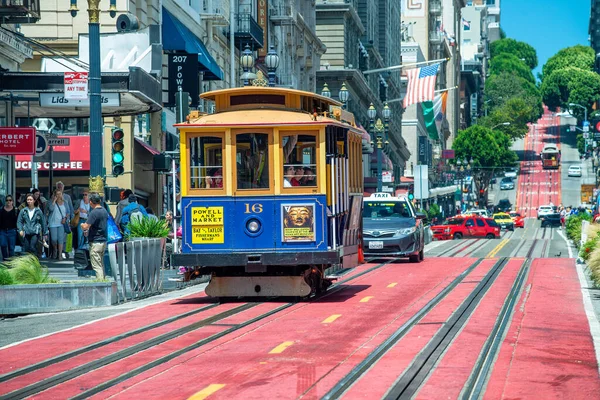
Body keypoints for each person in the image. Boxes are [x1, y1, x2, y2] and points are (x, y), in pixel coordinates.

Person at [81, 193, 108, 280]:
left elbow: (86, 226)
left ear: (91, 202)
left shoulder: (94, 213)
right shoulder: (104, 211)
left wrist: (82, 225)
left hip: (95, 241)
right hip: (103, 241)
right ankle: (104, 280)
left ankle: (101, 283)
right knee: (101, 264)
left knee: (96, 265)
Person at [47, 190, 68, 260]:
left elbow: (68, 212)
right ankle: (55, 249)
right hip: (53, 223)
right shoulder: (51, 202)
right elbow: (51, 209)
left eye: (60, 194)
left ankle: (59, 255)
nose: (59, 196)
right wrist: (54, 200)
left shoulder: (65, 202)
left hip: (61, 224)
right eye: (57, 194)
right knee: (54, 239)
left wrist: (65, 218)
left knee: (60, 239)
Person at [0, 195, 19, 259]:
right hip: (3, 231)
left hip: (12, 231)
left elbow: (19, 221)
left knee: (11, 248)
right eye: (7, 200)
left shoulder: (16, 210)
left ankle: (11, 262)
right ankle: (5, 259)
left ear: (12, 201)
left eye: (10, 200)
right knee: (3, 245)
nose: (8, 201)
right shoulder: (1, 210)